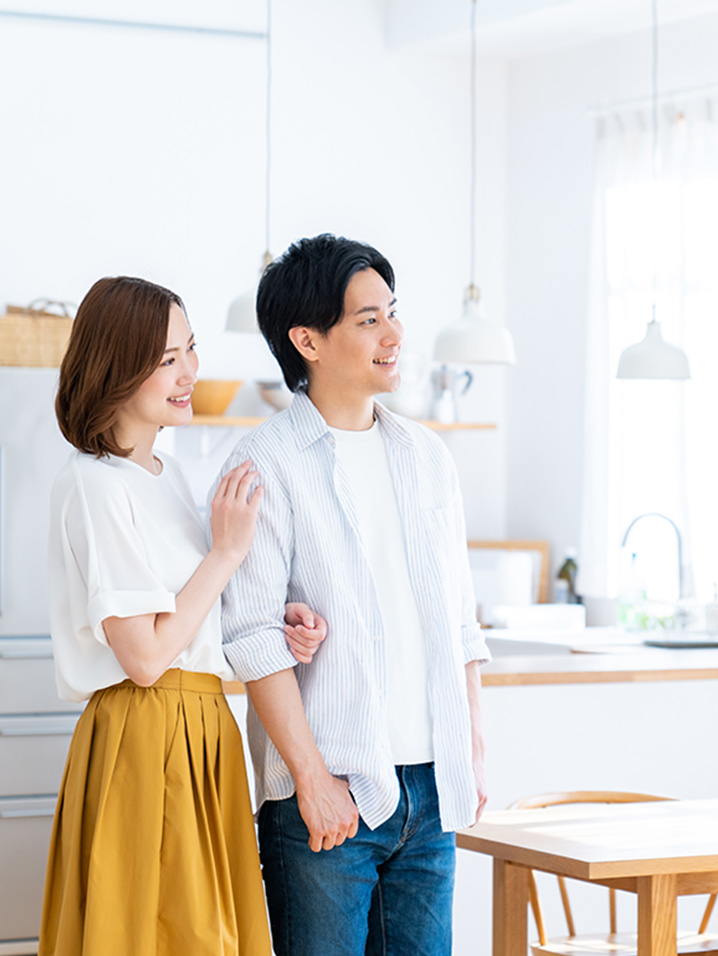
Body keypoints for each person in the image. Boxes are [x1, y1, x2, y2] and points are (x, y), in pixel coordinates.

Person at [217, 234, 489, 956]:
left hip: (431, 793)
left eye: (392, 313)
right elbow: (251, 639)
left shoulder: (428, 457)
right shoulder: (263, 463)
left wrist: (472, 751)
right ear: (307, 338)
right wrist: (310, 778)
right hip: (328, 791)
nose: (394, 335)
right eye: (369, 320)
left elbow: (459, 623)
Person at [41, 276, 326, 956]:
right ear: (117, 365)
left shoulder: (165, 476)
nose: (190, 371)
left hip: (201, 731)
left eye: (189, 349)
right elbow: (143, 658)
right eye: (168, 357)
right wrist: (226, 555)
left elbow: (185, 621)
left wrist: (271, 623)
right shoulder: (94, 483)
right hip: (148, 738)